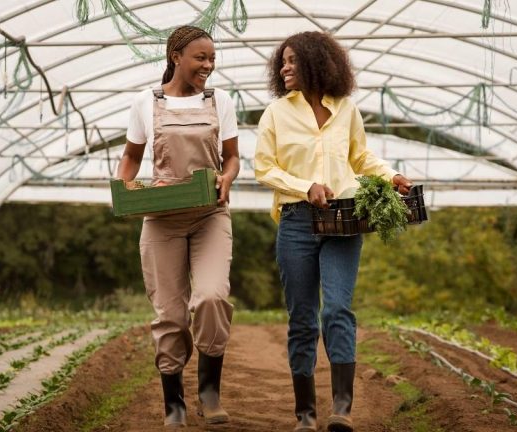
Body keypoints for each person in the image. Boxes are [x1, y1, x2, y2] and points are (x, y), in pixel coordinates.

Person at [254, 31, 413, 432]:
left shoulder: (346, 109)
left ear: (315, 62)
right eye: (282, 62)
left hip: (344, 219)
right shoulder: (276, 113)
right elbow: (263, 168)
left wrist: (391, 175)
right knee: (303, 317)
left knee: (338, 308)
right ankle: (305, 414)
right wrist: (304, 187)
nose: (283, 67)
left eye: (291, 60)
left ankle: (342, 408)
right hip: (296, 221)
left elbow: (360, 156)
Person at [115, 25, 240, 428]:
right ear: (176, 57)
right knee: (169, 314)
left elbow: (232, 157)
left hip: (209, 214)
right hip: (162, 218)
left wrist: (228, 178)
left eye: (211, 59)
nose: (208, 65)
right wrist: (127, 185)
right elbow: (131, 158)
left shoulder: (219, 100)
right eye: (200, 58)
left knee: (211, 297)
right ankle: (174, 404)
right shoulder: (144, 103)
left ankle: (209, 392)